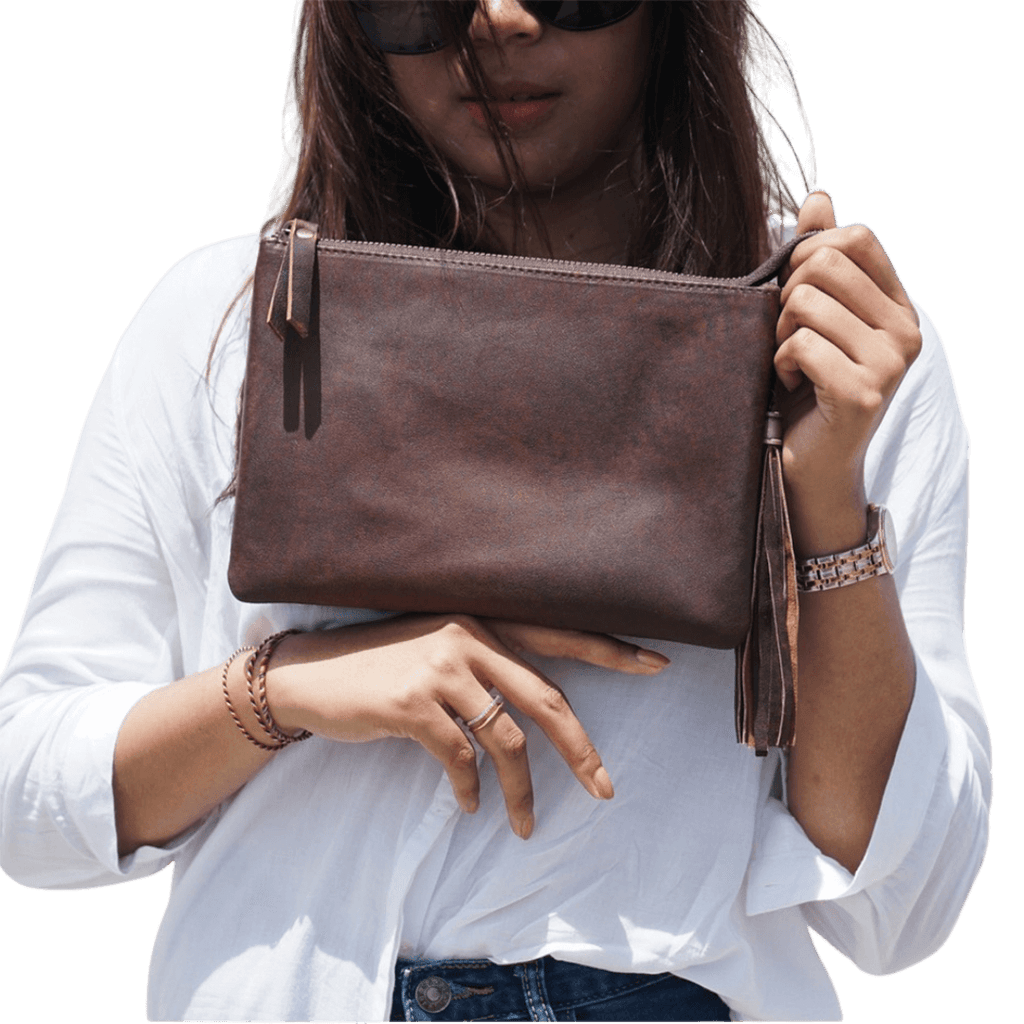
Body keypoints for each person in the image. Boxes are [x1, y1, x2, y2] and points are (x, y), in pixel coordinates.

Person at [0, 2, 991, 1022]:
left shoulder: (828, 343)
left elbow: (901, 909)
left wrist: (824, 502)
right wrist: (281, 688)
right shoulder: (227, 322)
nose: (503, 19)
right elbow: (25, 793)